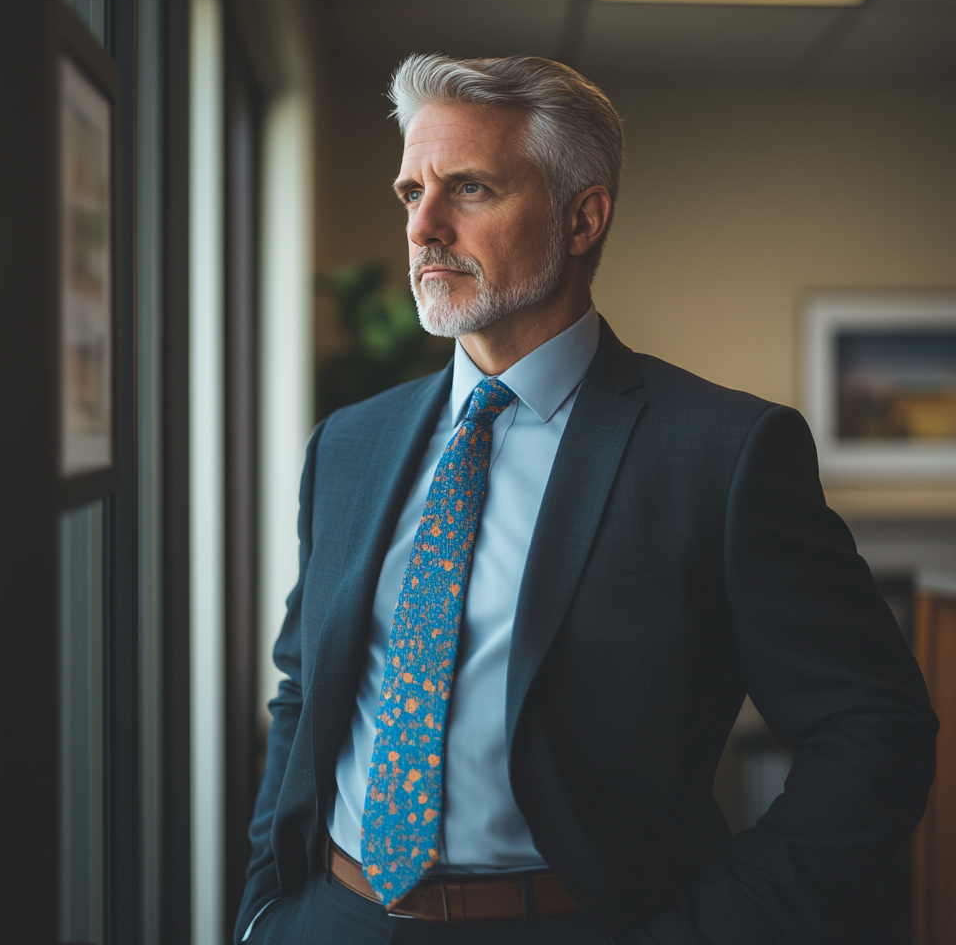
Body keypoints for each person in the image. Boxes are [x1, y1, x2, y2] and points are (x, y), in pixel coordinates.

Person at [236, 55, 936, 944]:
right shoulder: (349, 444)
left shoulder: (724, 454)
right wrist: (266, 907)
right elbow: (305, 686)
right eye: (411, 192)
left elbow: (875, 730)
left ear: (582, 217)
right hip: (329, 918)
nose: (423, 227)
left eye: (470, 189)